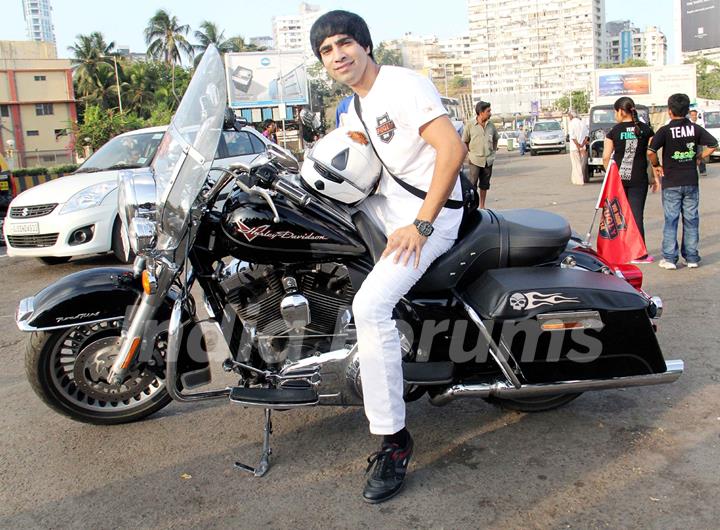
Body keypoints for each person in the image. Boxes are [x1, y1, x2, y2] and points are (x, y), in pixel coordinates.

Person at [310, 10, 466, 503]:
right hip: (385, 208)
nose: (337, 55)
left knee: (370, 306)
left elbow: (452, 149)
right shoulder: (354, 107)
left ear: (364, 44)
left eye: (343, 44)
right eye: (326, 51)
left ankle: (394, 440)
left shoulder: (402, 85)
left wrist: (421, 224)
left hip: (430, 217)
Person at [648, 93, 718, 270]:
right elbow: (713, 144)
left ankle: (670, 259)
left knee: (671, 220)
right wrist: (699, 157)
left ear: (670, 111)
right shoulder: (695, 129)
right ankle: (692, 257)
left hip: (671, 181)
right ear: (687, 111)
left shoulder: (664, 131)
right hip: (691, 181)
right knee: (691, 219)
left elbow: (650, 151)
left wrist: (656, 165)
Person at [602, 96, 657, 263]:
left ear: (620, 111)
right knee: (636, 215)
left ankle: (619, 251)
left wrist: (609, 175)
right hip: (639, 178)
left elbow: (605, 157)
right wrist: (653, 178)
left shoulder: (614, 131)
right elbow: (650, 154)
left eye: (615, 112)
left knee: (617, 215)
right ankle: (639, 254)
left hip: (618, 180)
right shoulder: (646, 130)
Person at [462, 101, 498, 208]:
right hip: (475, 160)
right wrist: (469, 155)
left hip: (488, 160)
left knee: (485, 184)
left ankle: (482, 206)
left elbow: (496, 138)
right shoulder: (470, 125)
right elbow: (465, 141)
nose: (490, 113)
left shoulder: (491, 125)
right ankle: (472, 205)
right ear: (481, 112)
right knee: (472, 184)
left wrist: (493, 151)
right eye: (488, 111)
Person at [568, 111, 588, 185]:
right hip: (582, 146)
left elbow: (572, 137)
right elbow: (586, 136)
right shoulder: (582, 122)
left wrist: (578, 146)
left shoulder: (571, 123)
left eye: (569, 116)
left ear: (571, 116)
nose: (569, 117)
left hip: (574, 147)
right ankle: (574, 179)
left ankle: (579, 180)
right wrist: (582, 145)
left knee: (576, 164)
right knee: (579, 163)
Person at [688, 110, 708, 176]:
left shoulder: (700, 121)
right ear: (690, 115)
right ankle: (691, 170)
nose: (694, 116)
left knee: (700, 154)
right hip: (690, 141)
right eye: (692, 115)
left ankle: (702, 170)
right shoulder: (688, 122)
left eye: (695, 115)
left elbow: (703, 131)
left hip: (699, 141)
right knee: (690, 155)